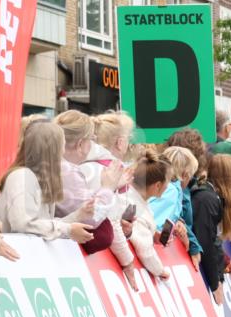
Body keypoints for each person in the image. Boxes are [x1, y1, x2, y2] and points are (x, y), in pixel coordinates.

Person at [0, 120, 95, 244]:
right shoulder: (22, 176)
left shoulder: (36, 178)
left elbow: (41, 226)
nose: (63, 152)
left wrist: (78, 215)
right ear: (52, 150)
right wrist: (68, 229)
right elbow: (23, 224)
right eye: (61, 146)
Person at [55, 110, 129, 257]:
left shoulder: (59, 166)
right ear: (81, 143)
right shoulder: (66, 171)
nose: (93, 145)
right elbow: (91, 218)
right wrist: (108, 187)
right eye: (91, 140)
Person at [191, 154, 231, 305]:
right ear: (227, 176)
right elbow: (206, 242)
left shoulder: (213, 196)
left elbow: (213, 239)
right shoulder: (207, 199)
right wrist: (216, 283)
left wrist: (224, 269)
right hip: (199, 267)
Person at [149, 147, 203, 269]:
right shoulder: (171, 191)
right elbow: (153, 222)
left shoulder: (167, 187)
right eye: (190, 176)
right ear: (185, 175)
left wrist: (178, 222)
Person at [126, 150, 173, 281]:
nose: (168, 186)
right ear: (158, 185)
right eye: (168, 181)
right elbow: (145, 251)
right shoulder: (136, 209)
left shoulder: (132, 196)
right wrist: (160, 271)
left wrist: (153, 236)